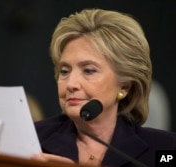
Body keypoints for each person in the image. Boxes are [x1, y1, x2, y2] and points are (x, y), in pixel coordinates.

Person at [31, 8, 176, 167]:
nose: (71, 84)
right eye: (64, 71)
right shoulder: (31, 139)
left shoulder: (166, 148)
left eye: (89, 70)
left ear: (125, 87)